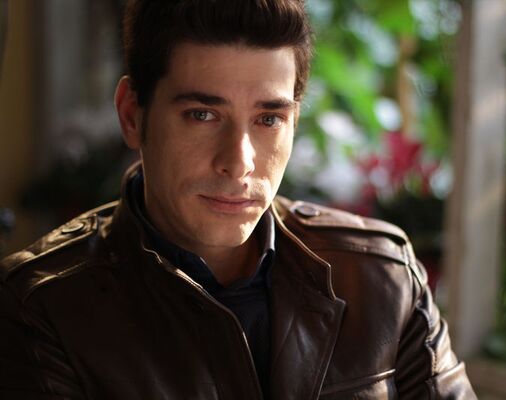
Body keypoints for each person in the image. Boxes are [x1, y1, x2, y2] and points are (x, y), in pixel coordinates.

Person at [0, 1, 476, 399]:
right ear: (131, 115)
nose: (239, 162)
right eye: (202, 115)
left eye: (269, 120)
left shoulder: (383, 277)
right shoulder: (40, 306)